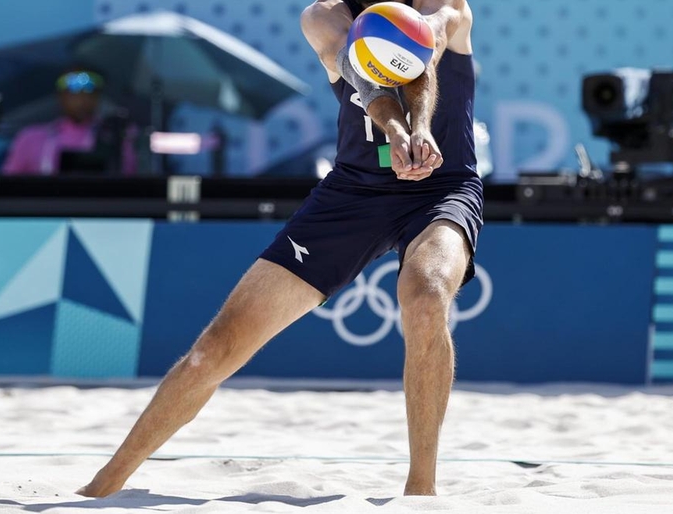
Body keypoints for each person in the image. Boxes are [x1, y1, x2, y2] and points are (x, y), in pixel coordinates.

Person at [79, 0, 478, 498]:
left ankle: (421, 493)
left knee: (424, 296)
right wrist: (397, 132)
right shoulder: (323, 17)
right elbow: (368, 78)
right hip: (353, 192)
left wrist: (419, 130)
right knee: (214, 351)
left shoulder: (444, 5)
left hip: (441, 187)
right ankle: (104, 484)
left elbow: (426, 50)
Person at [1, 69, 136, 175]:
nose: (82, 99)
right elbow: (8, 186)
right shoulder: (31, 138)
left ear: (97, 98)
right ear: (61, 96)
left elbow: (129, 177)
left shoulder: (117, 136)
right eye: (74, 92)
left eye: (89, 92)